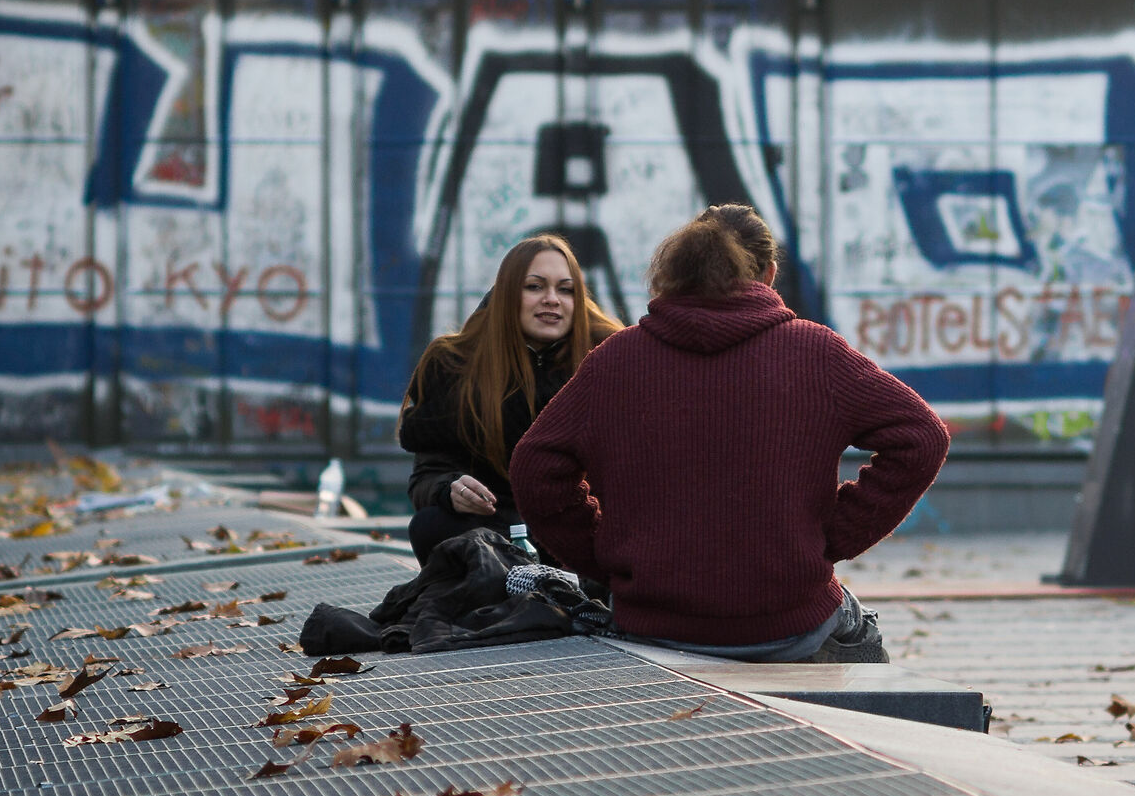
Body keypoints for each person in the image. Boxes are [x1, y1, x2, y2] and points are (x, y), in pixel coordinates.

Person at [510, 204, 949, 661]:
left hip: (651, 627)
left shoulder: (615, 360)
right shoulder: (816, 352)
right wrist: (830, 539)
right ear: (770, 273)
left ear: (676, 274)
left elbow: (535, 468)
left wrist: (604, 557)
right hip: (789, 626)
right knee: (863, 634)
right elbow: (922, 437)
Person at [398, 234, 621, 564]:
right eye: (534, 287)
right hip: (493, 533)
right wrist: (449, 490)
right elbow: (426, 476)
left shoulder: (609, 359)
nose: (552, 299)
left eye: (565, 289)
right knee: (431, 525)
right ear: (506, 295)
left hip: (577, 533)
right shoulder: (454, 363)